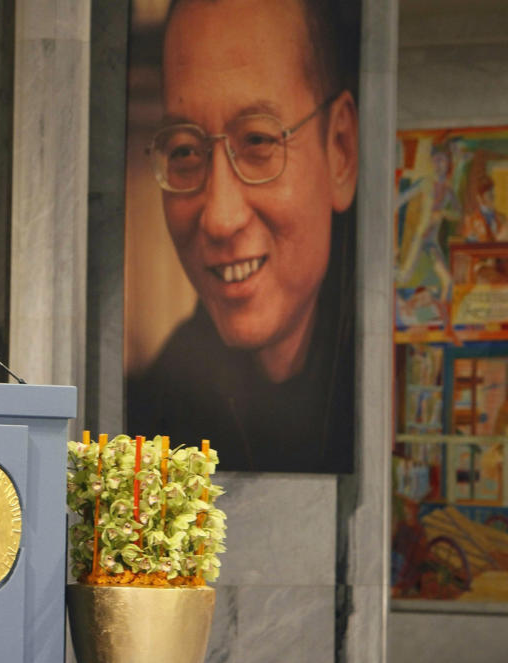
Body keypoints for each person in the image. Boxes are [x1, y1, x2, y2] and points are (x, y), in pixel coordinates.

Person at [127, 0, 359, 472]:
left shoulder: (384, 370)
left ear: (340, 150)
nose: (219, 217)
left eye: (257, 142)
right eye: (186, 150)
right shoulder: (158, 410)